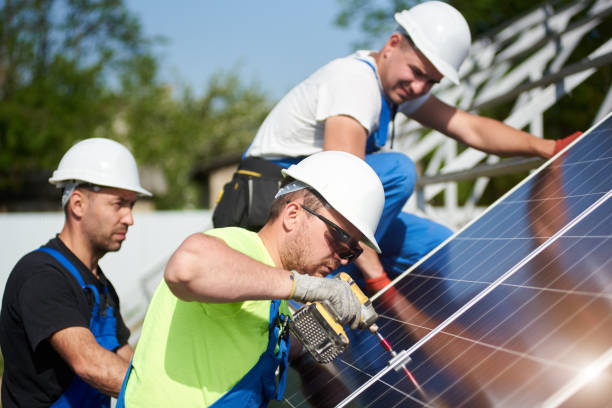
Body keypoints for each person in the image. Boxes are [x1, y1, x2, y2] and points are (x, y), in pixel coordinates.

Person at [213, 1, 582, 289]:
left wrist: (548, 147)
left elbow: (469, 128)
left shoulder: (397, 87)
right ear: (392, 44)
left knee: (440, 248)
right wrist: (375, 278)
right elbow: (341, 189)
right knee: (398, 170)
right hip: (273, 211)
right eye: (417, 72)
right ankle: (318, 292)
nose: (420, 87)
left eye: (432, 82)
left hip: (316, 210)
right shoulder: (355, 81)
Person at [119, 151, 385, 407]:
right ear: (293, 215)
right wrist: (310, 287)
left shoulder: (275, 299)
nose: (344, 258)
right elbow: (186, 267)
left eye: (353, 250)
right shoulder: (237, 245)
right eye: (340, 239)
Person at [0, 138, 152, 408]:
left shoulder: (99, 286)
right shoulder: (42, 276)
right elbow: (88, 362)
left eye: (132, 205)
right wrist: (167, 398)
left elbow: (126, 361)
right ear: (78, 204)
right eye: (119, 204)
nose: (130, 218)